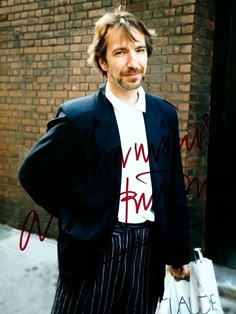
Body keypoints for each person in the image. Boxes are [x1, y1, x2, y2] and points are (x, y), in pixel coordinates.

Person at [18, 6, 191, 314]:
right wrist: (76, 213)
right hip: (94, 249)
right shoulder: (77, 117)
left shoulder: (164, 115)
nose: (133, 61)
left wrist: (178, 251)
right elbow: (32, 173)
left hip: (147, 250)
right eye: (121, 52)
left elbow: (172, 185)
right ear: (102, 61)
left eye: (139, 50)